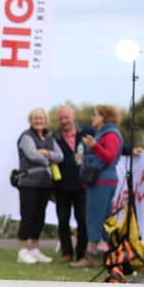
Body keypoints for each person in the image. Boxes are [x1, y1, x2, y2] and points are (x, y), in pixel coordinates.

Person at [70, 105, 123, 268]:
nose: (93, 118)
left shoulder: (111, 134)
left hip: (102, 182)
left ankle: (90, 256)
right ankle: (120, 254)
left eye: (95, 115)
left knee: (94, 219)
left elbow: (110, 157)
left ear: (104, 117)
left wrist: (94, 146)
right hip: (100, 181)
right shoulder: (104, 133)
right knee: (105, 220)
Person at [16, 107, 63, 264]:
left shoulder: (49, 136)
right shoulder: (26, 136)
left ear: (45, 120)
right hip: (28, 182)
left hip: (45, 182)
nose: (39, 121)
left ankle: (35, 249)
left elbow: (60, 156)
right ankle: (23, 250)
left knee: (39, 216)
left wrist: (47, 153)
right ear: (31, 120)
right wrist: (47, 157)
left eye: (41, 118)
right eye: (36, 118)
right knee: (28, 215)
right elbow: (31, 154)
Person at [52, 105, 92, 262]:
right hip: (61, 187)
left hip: (83, 186)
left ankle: (81, 253)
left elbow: (106, 145)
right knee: (63, 220)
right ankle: (66, 252)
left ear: (73, 116)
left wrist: (130, 150)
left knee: (82, 219)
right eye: (61, 118)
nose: (63, 121)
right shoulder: (54, 136)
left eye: (66, 117)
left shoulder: (86, 133)